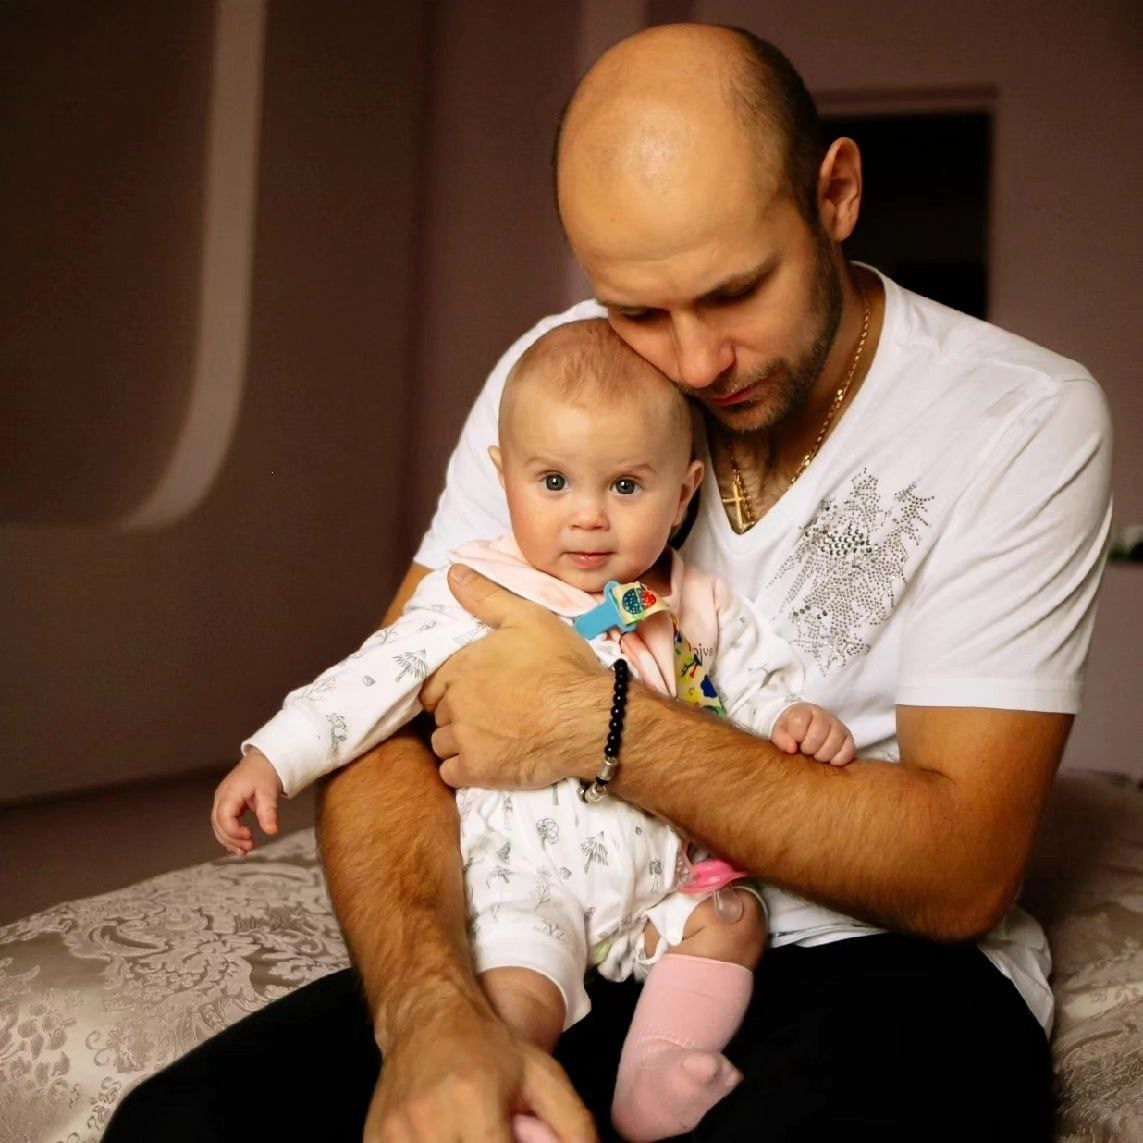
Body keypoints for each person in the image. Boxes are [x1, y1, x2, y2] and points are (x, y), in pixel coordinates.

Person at [108, 22, 1111, 1143]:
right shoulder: (559, 377)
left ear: (834, 195)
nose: (693, 362)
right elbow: (389, 729)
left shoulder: (1021, 416)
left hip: (877, 963)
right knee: (180, 1126)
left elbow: (960, 869)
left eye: (736, 291)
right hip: (570, 924)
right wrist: (431, 1010)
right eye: (637, 309)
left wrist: (597, 723)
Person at [211, 318, 855, 1142]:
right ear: (503, 477)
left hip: (661, 875)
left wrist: (792, 720)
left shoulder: (694, 601)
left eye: (625, 487)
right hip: (527, 875)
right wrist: (273, 756)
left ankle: (658, 1067)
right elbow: (372, 680)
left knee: (733, 921)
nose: (587, 517)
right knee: (518, 985)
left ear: (682, 492)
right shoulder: (476, 589)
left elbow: (749, 690)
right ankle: (511, 1101)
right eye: (553, 482)